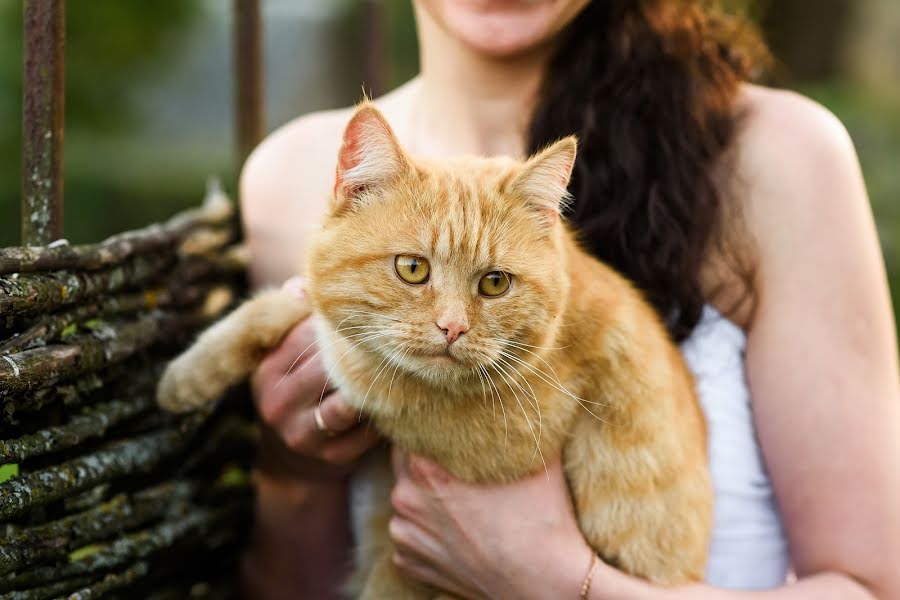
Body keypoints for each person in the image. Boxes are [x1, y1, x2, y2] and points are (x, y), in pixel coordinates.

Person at [238, 1, 900, 598]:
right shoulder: (294, 178)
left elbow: (873, 589)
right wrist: (294, 469)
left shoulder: (779, 159)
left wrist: (557, 580)